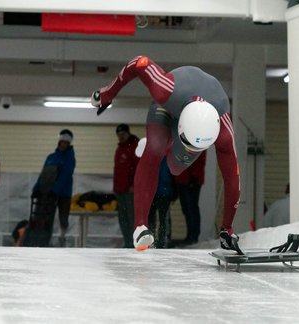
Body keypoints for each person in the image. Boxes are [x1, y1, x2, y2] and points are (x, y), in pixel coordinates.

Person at [91, 55, 241, 253]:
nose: (190, 151)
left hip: (190, 118)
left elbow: (233, 181)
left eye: (197, 149)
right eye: (187, 143)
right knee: (155, 148)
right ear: (180, 128)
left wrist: (227, 229)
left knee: (176, 167)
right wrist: (107, 93)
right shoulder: (165, 89)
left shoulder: (223, 130)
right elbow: (139, 62)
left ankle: (165, 146)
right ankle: (140, 227)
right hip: (167, 107)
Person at [30, 129, 76, 247]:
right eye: (62, 142)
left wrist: (55, 190)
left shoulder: (70, 158)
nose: (63, 144)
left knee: (63, 216)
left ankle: (62, 238)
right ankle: (44, 239)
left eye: (66, 142)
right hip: (49, 192)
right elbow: (43, 174)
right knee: (46, 216)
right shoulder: (51, 157)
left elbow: (65, 175)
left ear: (69, 143)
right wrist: (36, 189)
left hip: (63, 193)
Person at [113, 124, 139, 248]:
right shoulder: (120, 149)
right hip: (120, 190)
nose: (121, 137)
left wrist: (134, 185)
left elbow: (139, 168)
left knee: (131, 218)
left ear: (128, 133)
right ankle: (127, 242)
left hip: (130, 190)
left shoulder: (135, 147)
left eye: (123, 134)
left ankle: (133, 243)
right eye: (119, 135)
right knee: (123, 219)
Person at [174, 151, 207, 246]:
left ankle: (193, 236)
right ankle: (191, 235)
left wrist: (194, 176)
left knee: (191, 208)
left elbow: (198, 159)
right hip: (183, 178)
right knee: (187, 209)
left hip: (190, 179)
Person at [147, 158, 175, 249]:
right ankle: (152, 240)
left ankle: (162, 241)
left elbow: (173, 177)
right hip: (155, 193)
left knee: (163, 218)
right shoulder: (153, 158)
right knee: (152, 218)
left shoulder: (168, 158)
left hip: (164, 193)